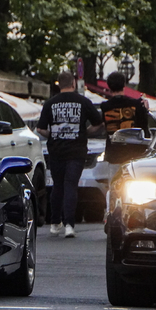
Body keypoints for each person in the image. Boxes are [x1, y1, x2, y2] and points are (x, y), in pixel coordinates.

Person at [37, 71, 104, 238]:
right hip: (77, 149)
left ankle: (54, 223)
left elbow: (40, 128)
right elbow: (98, 123)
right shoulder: (83, 102)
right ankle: (69, 225)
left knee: (57, 186)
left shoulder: (50, 104)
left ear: (59, 84)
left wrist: (53, 135)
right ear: (73, 83)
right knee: (71, 185)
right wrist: (85, 133)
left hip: (56, 150)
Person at [101, 71, 150, 165]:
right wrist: (145, 111)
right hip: (134, 153)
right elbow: (144, 125)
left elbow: (103, 125)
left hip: (113, 154)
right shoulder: (136, 104)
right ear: (124, 84)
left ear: (109, 86)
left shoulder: (105, 107)